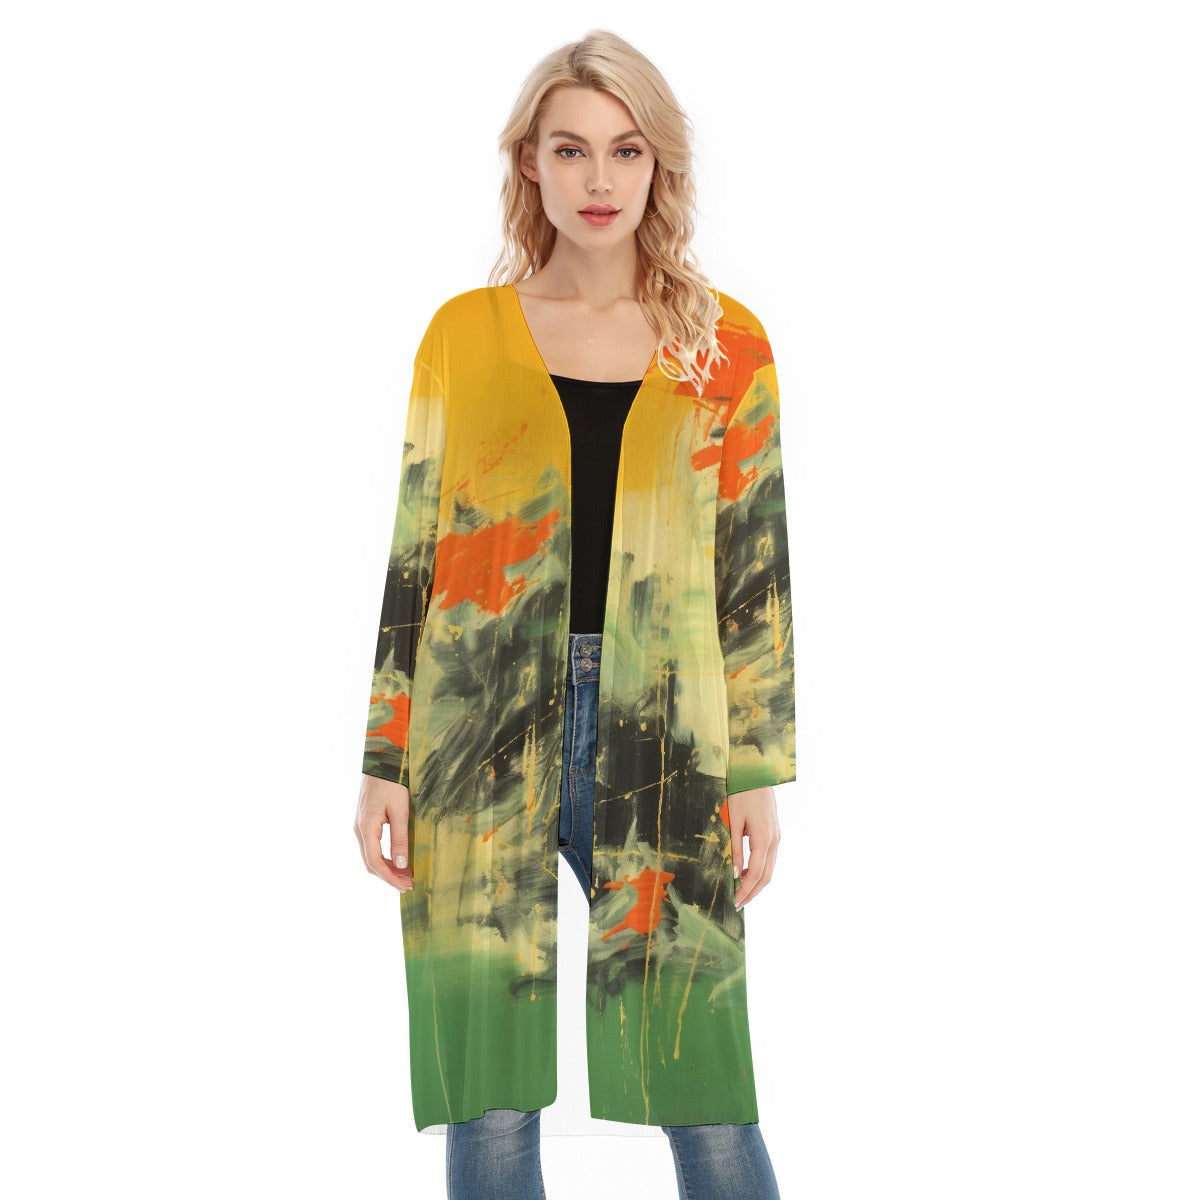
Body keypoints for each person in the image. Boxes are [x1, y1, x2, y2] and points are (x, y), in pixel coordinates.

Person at [353, 29, 795, 1200]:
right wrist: (384, 757)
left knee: (699, 1063)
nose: (600, 179)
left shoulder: (725, 346)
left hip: (667, 731)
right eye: (570, 149)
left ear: (659, 166)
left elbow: (755, 573)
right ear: (530, 163)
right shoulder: (463, 335)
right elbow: (415, 554)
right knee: (489, 1094)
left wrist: (756, 770)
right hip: (475, 727)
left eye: (626, 150)